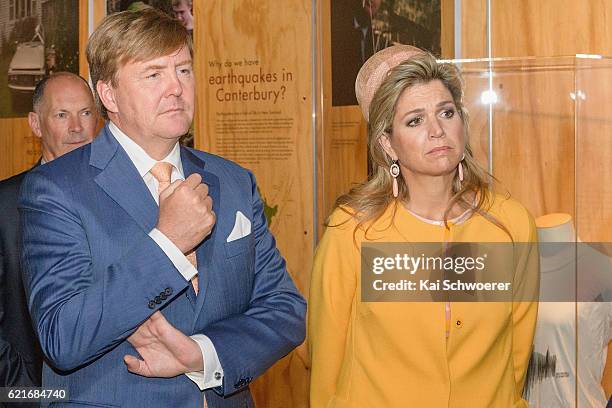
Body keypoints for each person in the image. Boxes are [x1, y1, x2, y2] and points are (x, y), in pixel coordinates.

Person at [19, 9, 305, 408]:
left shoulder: (233, 180)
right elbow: (62, 337)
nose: (176, 88)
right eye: (153, 74)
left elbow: (285, 309)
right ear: (109, 95)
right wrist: (169, 245)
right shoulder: (56, 189)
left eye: (183, 71)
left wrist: (203, 355)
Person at [309, 45, 539, 407]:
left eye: (446, 113)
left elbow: (517, 354)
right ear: (388, 144)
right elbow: (326, 364)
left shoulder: (510, 225)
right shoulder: (354, 231)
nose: (436, 130)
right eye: (414, 120)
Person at [0, 72, 97, 406]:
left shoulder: (124, 200)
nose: (76, 128)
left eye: (86, 113)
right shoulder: (4, 205)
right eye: (61, 115)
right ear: (35, 124)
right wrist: (28, 397)